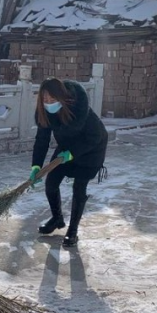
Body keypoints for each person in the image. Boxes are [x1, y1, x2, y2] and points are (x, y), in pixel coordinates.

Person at [29, 77, 108, 248]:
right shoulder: (45, 112)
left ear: (62, 97)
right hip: (66, 148)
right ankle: (57, 218)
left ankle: (72, 231)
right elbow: (42, 139)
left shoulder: (79, 109)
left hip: (90, 149)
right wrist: (36, 166)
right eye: (45, 99)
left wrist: (71, 154)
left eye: (52, 99)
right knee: (51, 183)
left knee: (79, 189)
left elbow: (95, 137)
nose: (48, 103)